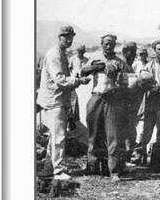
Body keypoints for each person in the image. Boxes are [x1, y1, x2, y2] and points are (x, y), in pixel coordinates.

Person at [36, 26, 90, 181]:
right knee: (58, 136)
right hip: (55, 100)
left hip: (59, 99)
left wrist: (78, 77)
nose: (69, 39)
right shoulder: (55, 55)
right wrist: (79, 81)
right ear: (59, 37)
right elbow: (60, 79)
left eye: (71, 36)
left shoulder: (61, 53)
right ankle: (58, 171)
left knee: (55, 136)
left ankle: (50, 167)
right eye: (66, 36)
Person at [84, 34, 134, 182]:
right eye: (106, 44)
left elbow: (131, 80)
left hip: (112, 99)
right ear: (101, 44)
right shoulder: (95, 57)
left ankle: (114, 171)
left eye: (111, 44)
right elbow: (82, 72)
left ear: (114, 45)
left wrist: (119, 77)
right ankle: (93, 166)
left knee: (113, 135)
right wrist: (94, 67)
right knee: (93, 133)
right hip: (96, 96)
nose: (108, 46)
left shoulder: (120, 61)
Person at [135, 40, 160, 163]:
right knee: (148, 127)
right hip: (151, 99)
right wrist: (151, 87)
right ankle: (142, 157)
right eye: (158, 49)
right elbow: (142, 82)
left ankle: (159, 159)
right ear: (154, 51)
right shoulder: (149, 66)